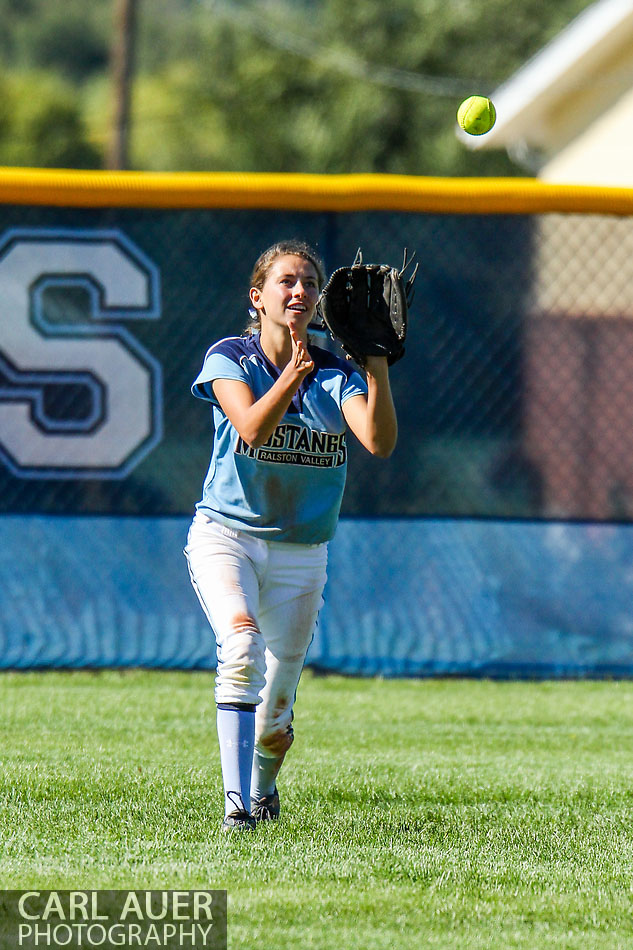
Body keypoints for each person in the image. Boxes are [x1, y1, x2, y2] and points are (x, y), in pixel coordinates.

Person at [184, 239, 398, 831]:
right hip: (227, 536)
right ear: (258, 298)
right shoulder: (231, 356)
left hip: (302, 550)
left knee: (277, 711)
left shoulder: (335, 371)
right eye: (286, 281)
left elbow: (378, 442)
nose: (299, 290)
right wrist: (291, 376)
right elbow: (251, 428)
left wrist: (375, 360)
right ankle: (236, 808)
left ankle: (263, 791)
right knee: (242, 647)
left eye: (309, 282)